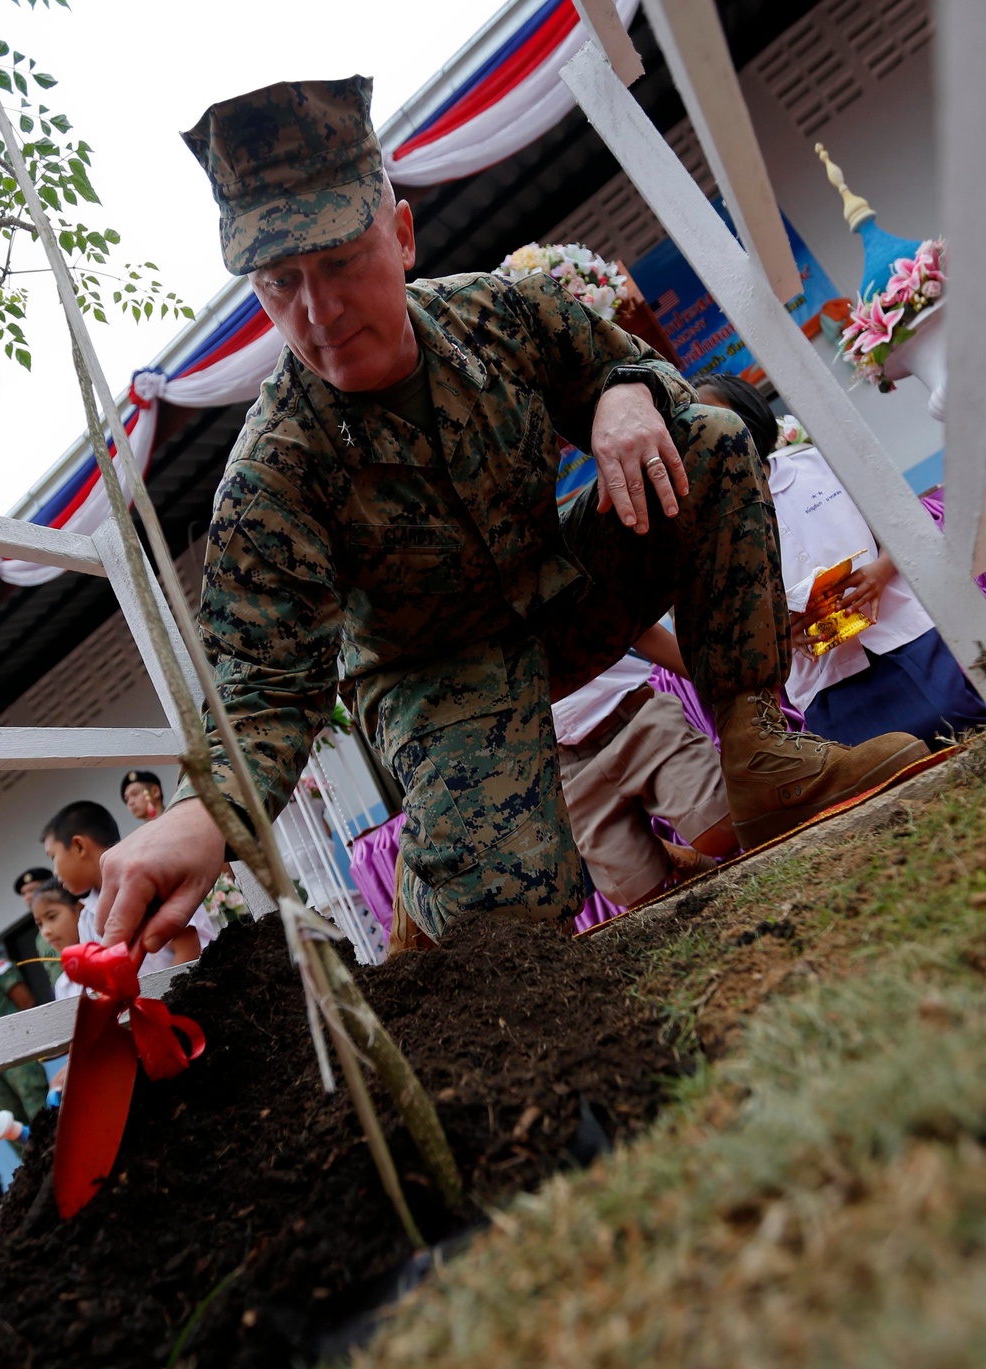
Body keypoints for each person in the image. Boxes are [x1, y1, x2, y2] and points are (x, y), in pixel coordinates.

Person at [96, 77, 926, 956]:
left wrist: (625, 394)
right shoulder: (275, 472)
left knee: (710, 440)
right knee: (506, 921)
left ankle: (761, 758)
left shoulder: (499, 315)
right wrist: (205, 813)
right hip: (434, 677)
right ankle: (438, 886)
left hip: (562, 593)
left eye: (341, 262)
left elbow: (632, 371)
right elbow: (264, 688)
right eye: (280, 283)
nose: (318, 311)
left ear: (402, 236)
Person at [695, 374, 986, 747]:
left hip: (906, 632)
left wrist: (880, 572)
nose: (709, 438)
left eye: (716, 419)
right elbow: (722, 626)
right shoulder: (708, 533)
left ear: (750, 416)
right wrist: (778, 636)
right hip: (825, 681)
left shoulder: (821, 464)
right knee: (879, 766)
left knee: (958, 719)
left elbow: (905, 523)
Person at [553, 635, 738, 910]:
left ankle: (701, 818)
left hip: (633, 714)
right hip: (568, 763)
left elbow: (644, 630)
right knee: (636, 894)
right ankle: (667, 856)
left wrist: (728, 693)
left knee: (721, 830)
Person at [41, 801, 216, 975]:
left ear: (79, 846)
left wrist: (173, 999)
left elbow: (188, 947)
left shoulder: (149, 876)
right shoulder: (86, 919)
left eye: (53, 857)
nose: (55, 872)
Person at [0, 954, 48, 1158]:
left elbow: (26, 1001)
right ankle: (35, 1171)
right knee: (8, 1122)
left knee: (39, 1112)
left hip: (17, 1055)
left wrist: (24, 1041)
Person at [13, 866, 63, 988]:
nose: (27, 897)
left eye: (32, 890)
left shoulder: (71, 919)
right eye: (24, 894)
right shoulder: (40, 939)